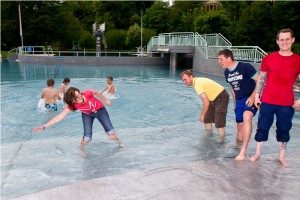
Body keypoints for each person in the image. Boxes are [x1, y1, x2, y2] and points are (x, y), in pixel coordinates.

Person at [249, 28, 300, 167]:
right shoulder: (269, 58)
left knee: (284, 129)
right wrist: (257, 96)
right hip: (268, 101)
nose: (284, 42)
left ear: (292, 40)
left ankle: (282, 156)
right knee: (262, 127)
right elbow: (262, 78)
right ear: (277, 41)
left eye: (287, 39)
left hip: (286, 103)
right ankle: (258, 153)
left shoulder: (298, 60)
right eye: (282, 40)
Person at [32, 87, 124, 148]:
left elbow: (96, 92)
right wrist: (44, 126)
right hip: (87, 115)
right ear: (72, 100)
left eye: (79, 94)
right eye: (76, 97)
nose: (80, 97)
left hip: (101, 111)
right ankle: (81, 149)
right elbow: (59, 117)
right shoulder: (73, 105)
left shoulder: (87, 93)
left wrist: (106, 100)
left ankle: (119, 143)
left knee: (111, 134)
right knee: (87, 139)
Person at [218, 49, 259, 160]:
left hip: (251, 98)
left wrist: (253, 97)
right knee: (240, 126)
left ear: (229, 58)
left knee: (247, 116)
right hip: (239, 100)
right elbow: (232, 86)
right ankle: (238, 148)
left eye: (221, 59)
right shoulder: (227, 72)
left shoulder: (245, 67)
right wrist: (235, 102)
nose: (219, 62)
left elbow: (260, 80)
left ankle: (243, 151)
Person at [181, 70, 229, 143]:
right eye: (183, 81)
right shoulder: (196, 82)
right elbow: (207, 101)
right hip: (212, 99)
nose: (184, 82)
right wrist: (204, 116)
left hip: (221, 97)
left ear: (191, 77)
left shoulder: (197, 83)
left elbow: (205, 102)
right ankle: (209, 136)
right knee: (207, 119)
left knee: (219, 122)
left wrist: (202, 115)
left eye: (185, 79)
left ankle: (221, 141)